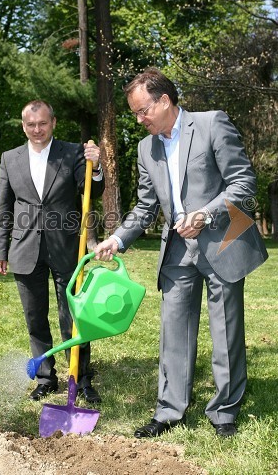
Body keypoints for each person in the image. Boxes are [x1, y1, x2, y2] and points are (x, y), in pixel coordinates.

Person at [94, 67, 268, 437]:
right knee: (173, 331)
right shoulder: (146, 148)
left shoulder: (211, 124)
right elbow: (144, 208)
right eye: (135, 113)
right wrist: (118, 238)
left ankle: (224, 412)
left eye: (143, 111)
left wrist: (205, 214)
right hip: (177, 251)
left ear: (165, 101)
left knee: (225, 330)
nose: (139, 120)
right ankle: (169, 410)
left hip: (223, 240)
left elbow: (243, 181)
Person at [0, 100, 104, 403]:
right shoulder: (10, 158)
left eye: (42, 123)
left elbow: (91, 191)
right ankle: (45, 378)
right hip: (25, 249)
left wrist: (96, 169)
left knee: (73, 317)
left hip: (67, 248)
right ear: (23, 126)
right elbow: (3, 207)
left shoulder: (72, 153)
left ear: (53, 122)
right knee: (35, 319)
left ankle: (80, 378)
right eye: (31, 124)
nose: (37, 129)